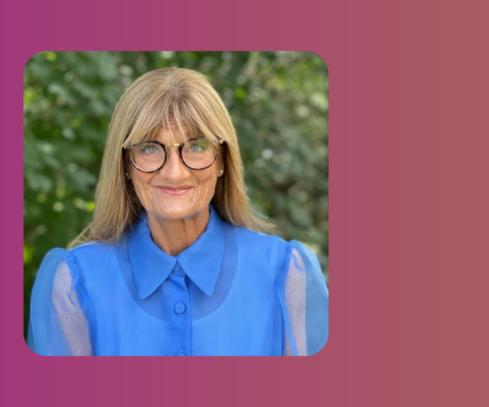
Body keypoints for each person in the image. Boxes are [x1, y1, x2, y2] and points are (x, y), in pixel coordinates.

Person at [27, 67, 328, 356]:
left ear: (223, 160)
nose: (174, 173)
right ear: (125, 165)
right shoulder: (73, 283)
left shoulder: (287, 275)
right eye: (149, 148)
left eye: (196, 147)